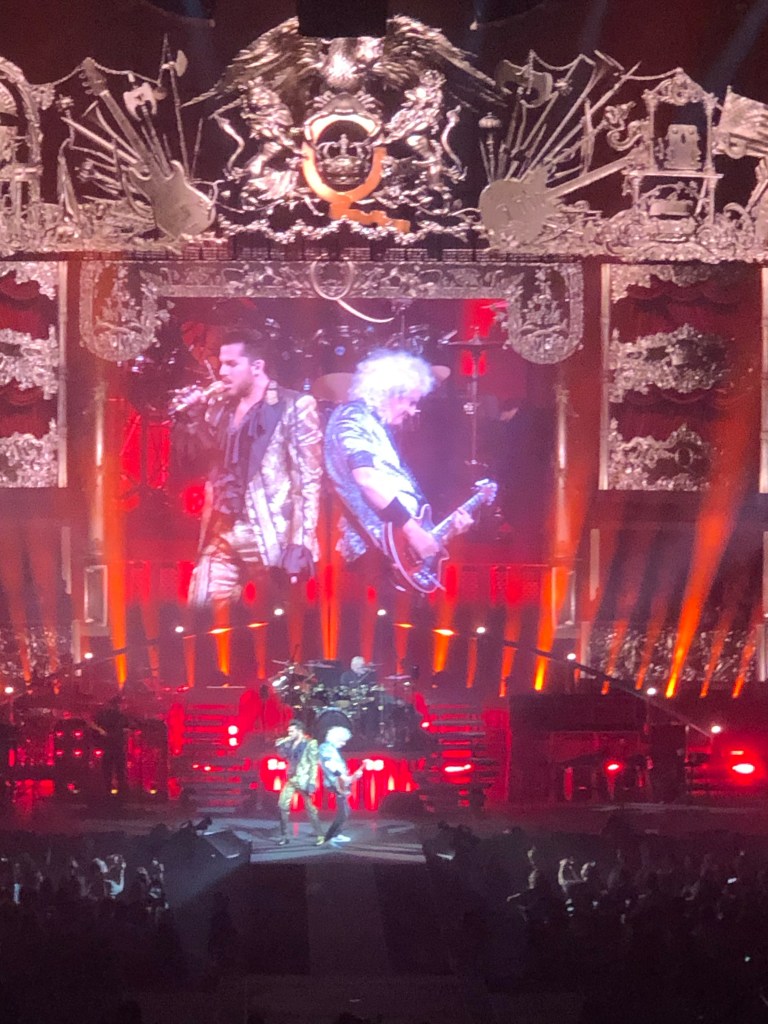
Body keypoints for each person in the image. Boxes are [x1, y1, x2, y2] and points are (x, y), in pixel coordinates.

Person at [173, 328, 323, 606]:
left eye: (231, 364)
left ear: (256, 367)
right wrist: (192, 420)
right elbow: (204, 462)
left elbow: (307, 482)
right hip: (222, 531)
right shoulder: (218, 407)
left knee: (280, 621)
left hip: (272, 535)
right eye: (221, 364)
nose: (222, 372)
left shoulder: (295, 405)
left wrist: (300, 542)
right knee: (202, 612)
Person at [323, 349, 472, 569]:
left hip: (392, 555)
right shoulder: (353, 417)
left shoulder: (375, 425)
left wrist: (445, 532)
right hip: (369, 557)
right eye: (411, 402)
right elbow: (367, 480)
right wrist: (413, 531)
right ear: (390, 393)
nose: (413, 411)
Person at [275, 720, 323, 846]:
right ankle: (285, 836)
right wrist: (280, 746)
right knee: (282, 805)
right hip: (291, 778)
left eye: (292, 731)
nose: (289, 734)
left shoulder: (310, 743)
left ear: (299, 731)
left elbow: (314, 764)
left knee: (310, 809)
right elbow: (282, 756)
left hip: (303, 779)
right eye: (289, 731)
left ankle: (320, 834)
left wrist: (312, 782)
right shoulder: (289, 743)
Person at [318, 725, 362, 844]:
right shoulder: (326, 748)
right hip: (334, 783)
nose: (344, 744)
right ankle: (330, 836)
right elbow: (329, 764)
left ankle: (334, 834)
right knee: (344, 812)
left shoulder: (331, 749)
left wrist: (351, 777)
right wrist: (342, 777)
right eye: (342, 741)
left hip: (338, 782)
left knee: (345, 810)